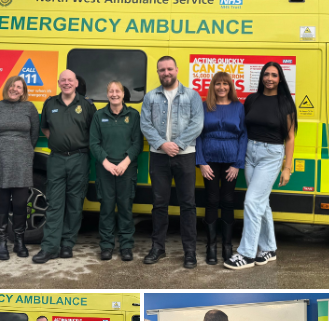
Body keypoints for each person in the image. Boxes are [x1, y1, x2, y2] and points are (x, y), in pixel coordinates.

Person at [224, 62, 296, 270]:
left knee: (252, 201)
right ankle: (269, 248)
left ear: (280, 79)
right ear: (262, 77)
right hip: (250, 152)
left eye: (274, 75)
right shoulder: (252, 99)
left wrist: (287, 167)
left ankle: (246, 254)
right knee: (261, 203)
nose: (270, 78)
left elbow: (290, 138)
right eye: (266, 74)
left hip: (271, 154)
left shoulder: (285, 103)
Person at [140, 56, 204, 269]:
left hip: (185, 154)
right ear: (158, 73)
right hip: (158, 155)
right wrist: (162, 144)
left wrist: (176, 144)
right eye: (162, 70)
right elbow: (145, 125)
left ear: (176, 70)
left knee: (188, 204)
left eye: (169, 69)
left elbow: (198, 123)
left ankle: (190, 252)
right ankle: (158, 248)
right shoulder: (150, 97)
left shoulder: (192, 95)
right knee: (159, 204)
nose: (166, 73)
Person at [33, 70, 97, 263]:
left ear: (76, 83)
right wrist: (60, 142)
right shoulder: (50, 103)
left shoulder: (86, 105)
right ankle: (49, 247)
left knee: (75, 204)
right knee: (54, 203)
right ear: (59, 83)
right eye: (63, 80)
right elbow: (45, 128)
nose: (67, 83)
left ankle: (67, 244)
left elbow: (94, 131)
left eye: (70, 80)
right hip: (57, 159)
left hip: (80, 158)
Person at [0, 76, 39, 260]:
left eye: (19, 87)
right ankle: (1, 243)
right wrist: (1, 146)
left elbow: (34, 134)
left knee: (21, 201)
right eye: (12, 86)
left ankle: (19, 242)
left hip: (22, 158)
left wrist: (21, 148)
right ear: (7, 88)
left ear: (23, 91)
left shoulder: (29, 108)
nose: (15, 89)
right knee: (2, 201)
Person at [195, 71, 248, 264]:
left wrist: (237, 164)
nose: (222, 87)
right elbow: (198, 135)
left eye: (225, 84)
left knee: (227, 200)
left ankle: (227, 247)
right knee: (211, 200)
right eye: (218, 84)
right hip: (209, 161)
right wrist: (201, 162)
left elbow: (243, 136)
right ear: (213, 87)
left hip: (230, 161)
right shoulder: (204, 106)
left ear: (230, 86)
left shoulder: (238, 107)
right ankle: (211, 247)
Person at [89, 80, 143, 261]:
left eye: (117, 91)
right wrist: (105, 162)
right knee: (106, 208)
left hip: (126, 169)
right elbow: (94, 143)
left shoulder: (133, 115)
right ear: (107, 95)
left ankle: (126, 246)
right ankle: (106, 245)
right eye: (111, 91)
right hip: (105, 169)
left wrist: (125, 162)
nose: (114, 94)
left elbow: (138, 143)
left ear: (123, 94)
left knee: (126, 208)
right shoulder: (99, 116)